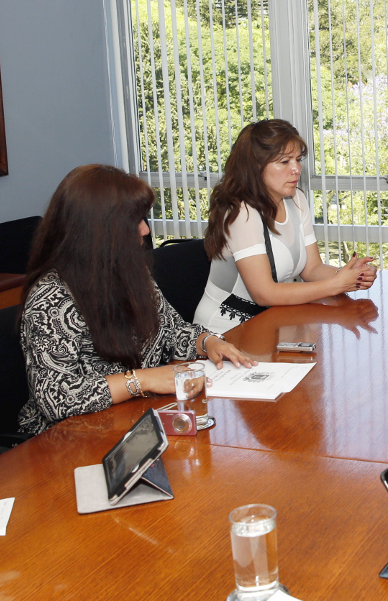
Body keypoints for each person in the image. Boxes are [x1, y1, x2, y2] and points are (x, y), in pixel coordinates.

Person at [18, 164, 255, 435]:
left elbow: (171, 331)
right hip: (71, 438)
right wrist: (142, 380)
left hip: (135, 416)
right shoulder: (52, 298)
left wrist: (208, 342)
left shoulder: (130, 270)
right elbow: (56, 398)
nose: (144, 230)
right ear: (99, 230)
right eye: (135, 221)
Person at [195, 119, 377, 333]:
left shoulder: (297, 199)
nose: (296, 169)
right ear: (255, 166)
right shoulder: (241, 211)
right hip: (227, 330)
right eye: (284, 162)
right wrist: (336, 284)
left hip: (272, 320)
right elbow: (264, 293)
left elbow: (312, 269)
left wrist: (347, 274)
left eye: (298, 160)